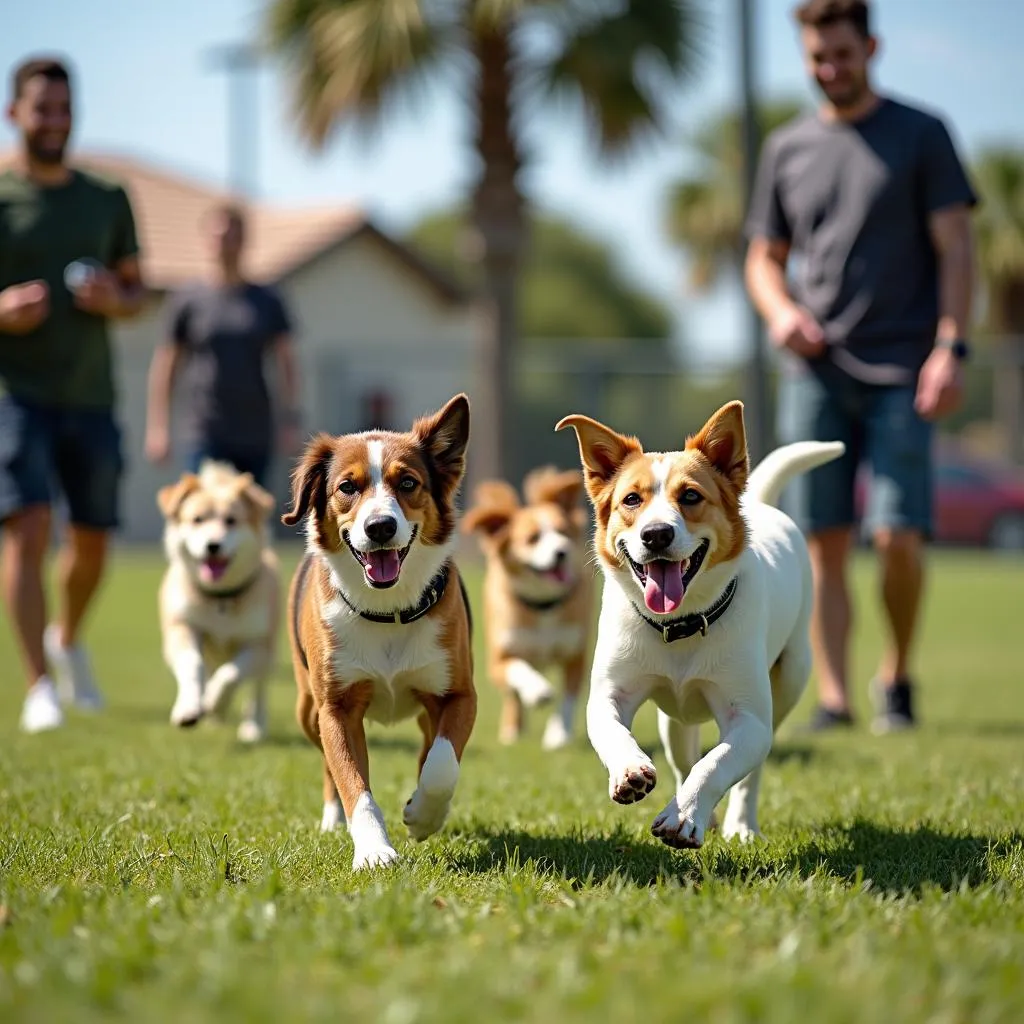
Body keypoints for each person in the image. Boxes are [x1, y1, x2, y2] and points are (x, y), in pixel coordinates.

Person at [743, 0, 977, 734]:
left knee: (898, 535)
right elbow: (762, 259)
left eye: (842, 54)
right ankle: (837, 698)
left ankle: (897, 678)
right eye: (817, 57)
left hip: (907, 366)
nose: (830, 69)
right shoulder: (787, 148)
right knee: (823, 542)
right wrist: (781, 313)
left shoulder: (922, 133)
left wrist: (951, 346)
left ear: (871, 47)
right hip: (817, 370)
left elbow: (959, 248)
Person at [0, 56, 147, 733]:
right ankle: (38, 687)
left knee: (91, 545)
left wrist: (114, 299)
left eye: (64, 109)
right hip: (17, 396)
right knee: (28, 530)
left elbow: (137, 292)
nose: (55, 121)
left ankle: (67, 635)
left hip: (92, 397)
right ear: (14, 113)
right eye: (42, 109)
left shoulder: (107, 198)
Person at [144, 203, 301, 488]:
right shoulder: (188, 298)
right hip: (204, 429)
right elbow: (167, 364)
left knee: (248, 520)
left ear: (243, 241)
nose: (225, 244)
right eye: (218, 236)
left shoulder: (267, 299)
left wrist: (289, 419)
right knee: (204, 517)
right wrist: (158, 428)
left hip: (254, 430)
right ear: (206, 240)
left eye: (232, 236)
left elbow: (286, 362)